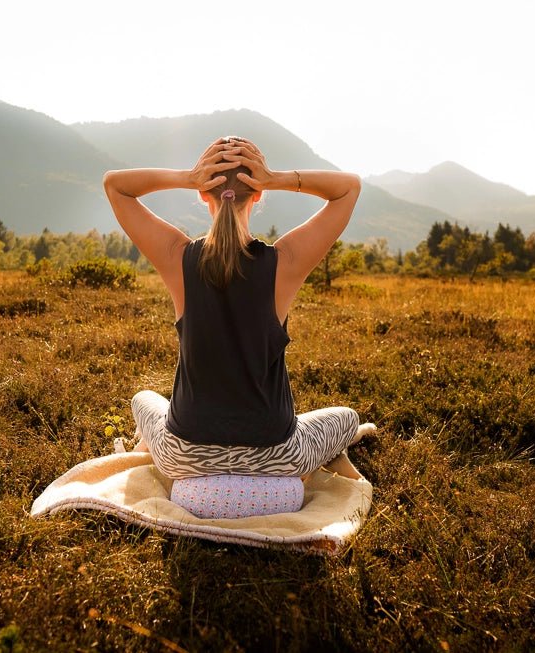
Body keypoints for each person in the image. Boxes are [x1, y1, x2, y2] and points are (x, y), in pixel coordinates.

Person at [102, 137, 372, 481]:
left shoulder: (177, 256)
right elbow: (349, 188)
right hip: (277, 457)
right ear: (257, 194)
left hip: (184, 457)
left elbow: (115, 185)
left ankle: (145, 452)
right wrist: (275, 178)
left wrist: (188, 177)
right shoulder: (284, 262)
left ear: (203, 194)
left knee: (144, 399)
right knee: (346, 417)